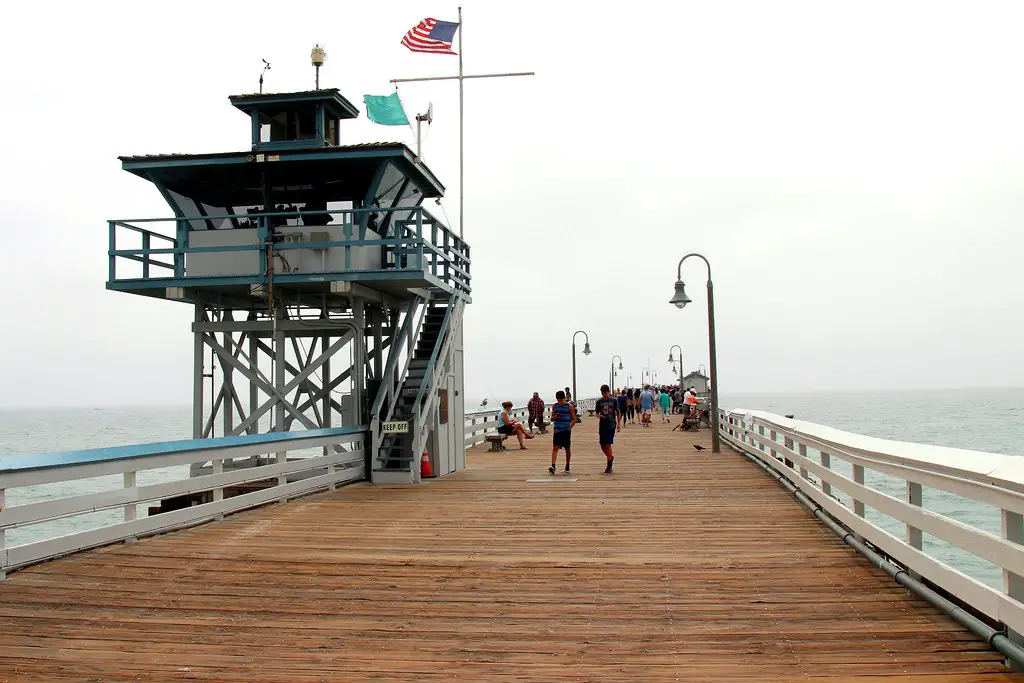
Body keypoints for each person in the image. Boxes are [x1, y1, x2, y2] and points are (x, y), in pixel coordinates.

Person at [549, 390, 577, 474]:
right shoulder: (555, 406)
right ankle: (553, 466)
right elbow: (551, 418)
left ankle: (567, 465)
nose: (559, 402)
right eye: (558, 400)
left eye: (561, 400)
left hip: (566, 430)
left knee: (567, 448)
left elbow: (574, 419)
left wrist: (570, 427)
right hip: (557, 430)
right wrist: (555, 417)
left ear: (564, 398)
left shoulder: (569, 406)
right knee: (555, 447)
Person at [595, 384, 621, 473]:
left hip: (611, 423)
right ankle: (610, 457)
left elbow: (618, 412)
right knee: (602, 444)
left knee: (608, 443)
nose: (604, 395)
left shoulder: (614, 400)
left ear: (608, 392)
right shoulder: (599, 402)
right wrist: (599, 416)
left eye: (605, 393)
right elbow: (597, 413)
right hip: (602, 423)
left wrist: (618, 424)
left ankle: (609, 465)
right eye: (602, 393)